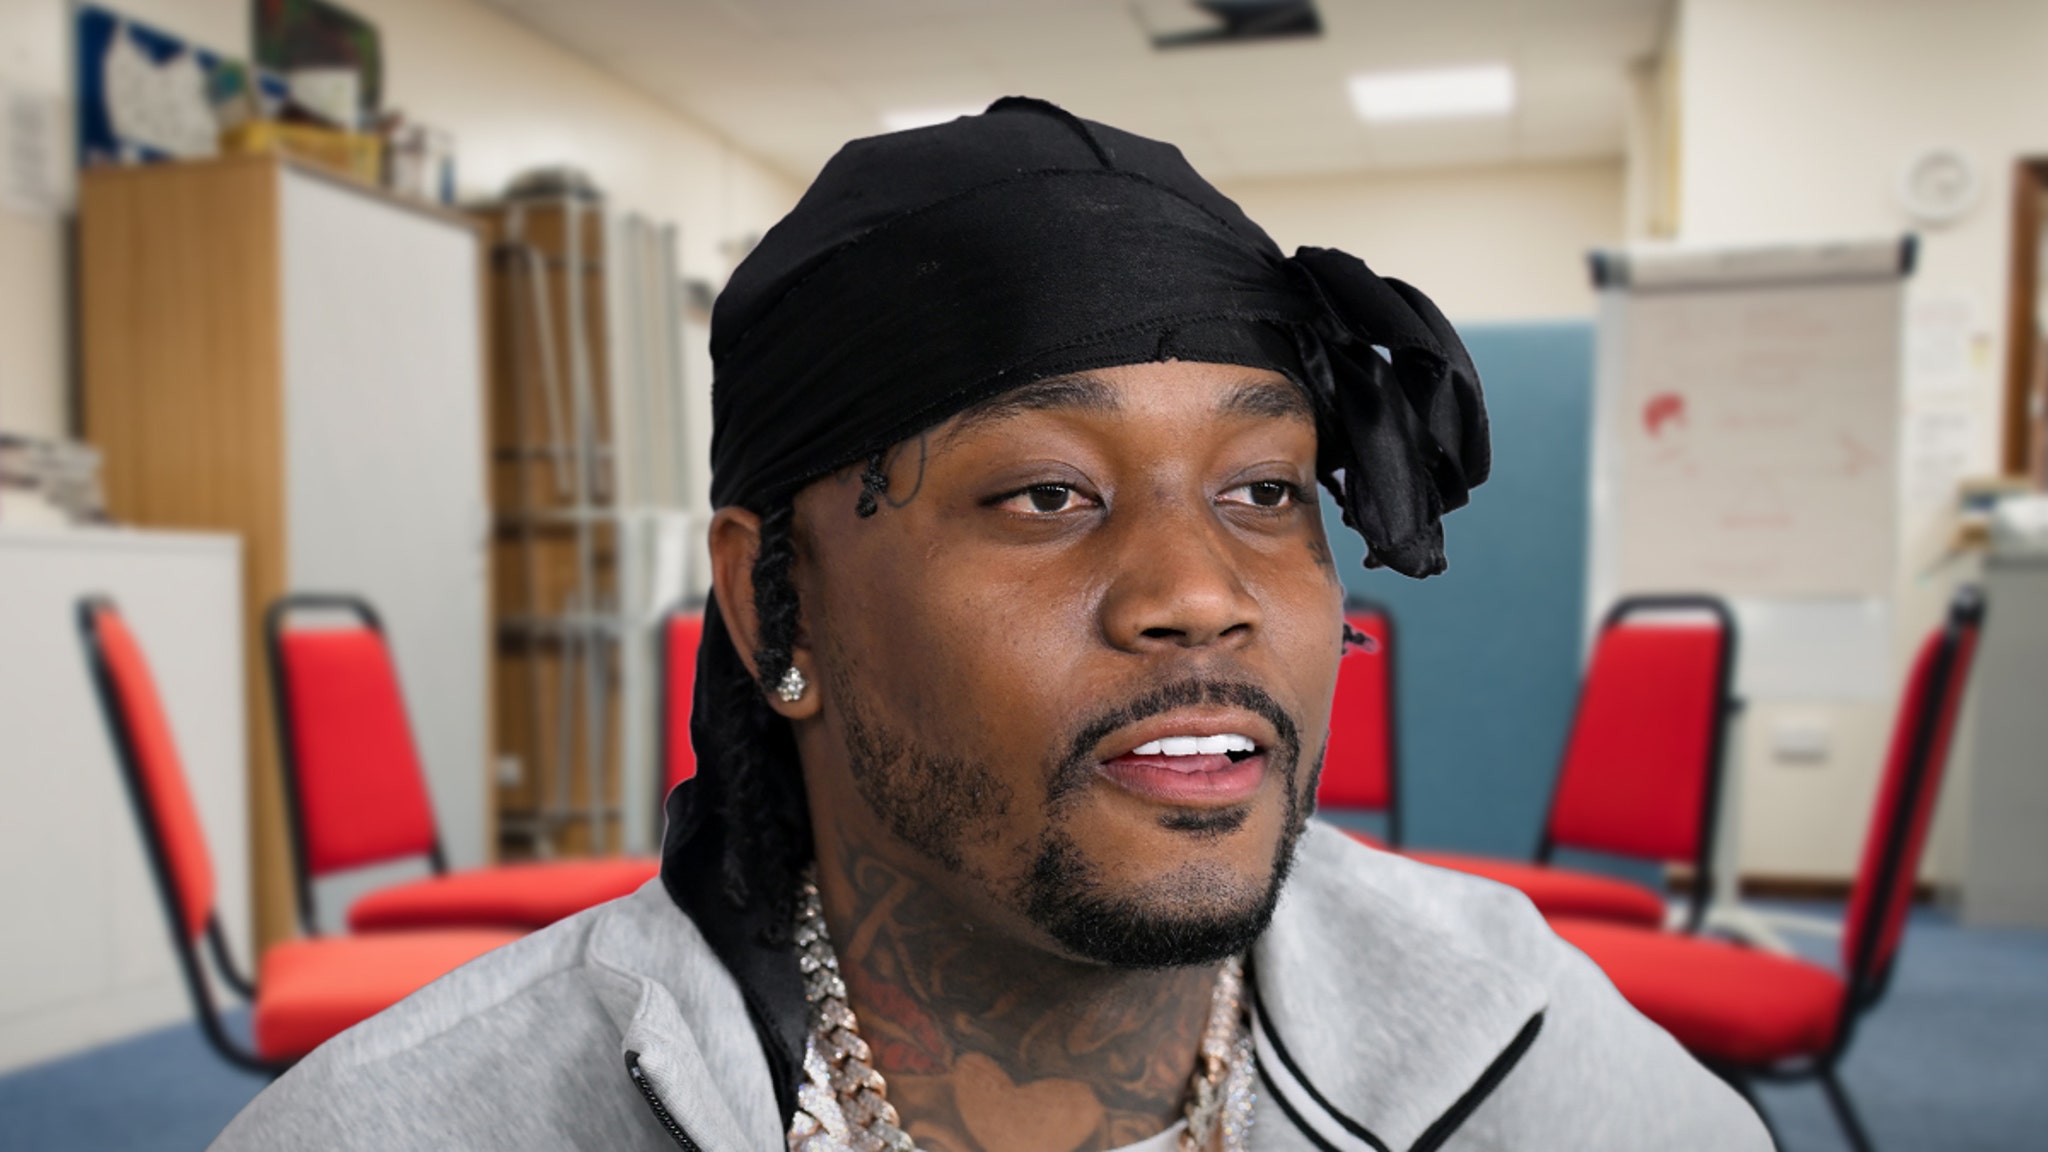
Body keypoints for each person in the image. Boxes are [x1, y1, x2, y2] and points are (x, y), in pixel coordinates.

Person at [212, 99, 1769, 1152]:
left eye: (1266, 491)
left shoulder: (1529, 1062)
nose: (1202, 593)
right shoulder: (412, 1128)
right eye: (1045, 495)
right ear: (773, 604)